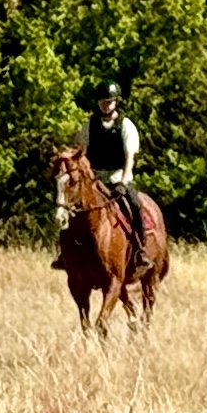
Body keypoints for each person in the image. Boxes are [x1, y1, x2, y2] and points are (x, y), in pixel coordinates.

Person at [69, 80, 146, 272]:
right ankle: (66, 254)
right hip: (94, 179)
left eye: (110, 102)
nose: (106, 105)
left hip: (117, 177)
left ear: (115, 102)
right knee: (70, 210)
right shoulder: (88, 126)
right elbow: (81, 154)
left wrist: (125, 179)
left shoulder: (126, 125)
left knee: (134, 205)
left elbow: (130, 156)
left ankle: (140, 249)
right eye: (103, 102)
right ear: (98, 103)